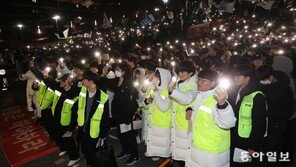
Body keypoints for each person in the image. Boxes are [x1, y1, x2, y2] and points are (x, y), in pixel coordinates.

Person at [185, 69, 236, 167]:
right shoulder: (202, 95)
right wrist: (190, 109)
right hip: (199, 146)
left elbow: (228, 123)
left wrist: (222, 104)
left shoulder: (216, 100)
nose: (199, 82)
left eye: (203, 80)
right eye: (198, 79)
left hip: (212, 151)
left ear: (212, 83)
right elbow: (200, 109)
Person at [256, 65, 295, 166]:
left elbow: (289, 108)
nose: (261, 82)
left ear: (271, 77)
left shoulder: (284, 89)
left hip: (278, 123)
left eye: (263, 79)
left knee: (276, 146)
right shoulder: (269, 85)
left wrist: (272, 115)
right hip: (271, 123)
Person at [230, 65, 268, 166]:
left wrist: (253, 146)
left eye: (238, 76)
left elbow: (260, 123)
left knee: (244, 163)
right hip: (236, 135)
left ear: (247, 78)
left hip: (247, 140)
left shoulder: (257, 95)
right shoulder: (237, 90)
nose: (235, 78)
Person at [73, 71, 111, 166]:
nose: (83, 81)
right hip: (82, 128)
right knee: (85, 150)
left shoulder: (103, 97)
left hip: (94, 131)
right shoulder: (82, 90)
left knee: (93, 152)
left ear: (91, 82)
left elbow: (105, 117)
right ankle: (89, 163)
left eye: (85, 79)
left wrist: (102, 135)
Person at [168, 61, 198, 165]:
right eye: (178, 72)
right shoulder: (179, 83)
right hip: (177, 123)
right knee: (178, 152)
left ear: (190, 73)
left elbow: (187, 99)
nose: (180, 74)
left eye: (182, 72)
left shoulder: (193, 86)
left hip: (185, 125)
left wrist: (173, 92)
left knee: (185, 154)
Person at [111, 62, 140, 165]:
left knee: (129, 136)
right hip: (118, 114)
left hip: (126, 115)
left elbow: (133, 102)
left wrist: (128, 117)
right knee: (121, 134)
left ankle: (135, 155)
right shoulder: (117, 80)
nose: (116, 71)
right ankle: (126, 150)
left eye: (118, 70)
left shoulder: (129, 83)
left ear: (123, 71)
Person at [51, 73, 81, 166]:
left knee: (68, 139)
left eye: (63, 81)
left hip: (66, 122)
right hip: (58, 118)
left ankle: (75, 157)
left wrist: (71, 128)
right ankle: (65, 149)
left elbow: (75, 115)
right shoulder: (62, 89)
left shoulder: (74, 94)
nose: (61, 82)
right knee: (61, 136)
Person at [144, 68, 172, 160]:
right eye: (155, 76)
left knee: (162, 147)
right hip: (153, 120)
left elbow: (163, 107)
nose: (155, 79)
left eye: (157, 77)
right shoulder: (155, 88)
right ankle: (155, 154)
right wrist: (147, 101)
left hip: (162, 123)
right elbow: (147, 103)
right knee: (155, 143)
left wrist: (156, 93)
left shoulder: (169, 91)